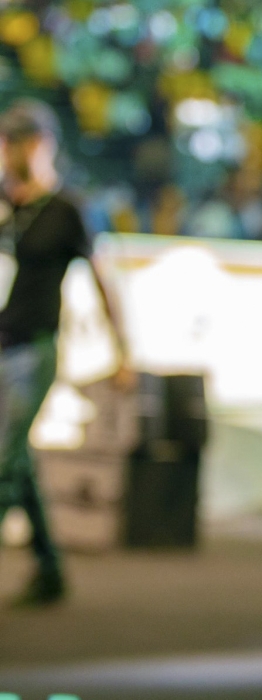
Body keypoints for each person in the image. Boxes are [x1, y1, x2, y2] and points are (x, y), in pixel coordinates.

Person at [0, 99, 130, 607]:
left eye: (20, 141)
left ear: (44, 145)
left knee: (5, 460)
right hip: (4, 348)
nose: (11, 150)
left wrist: (123, 351)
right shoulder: (9, 207)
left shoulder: (67, 210)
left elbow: (103, 282)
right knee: (19, 461)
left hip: (35, 351)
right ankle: (51, 568)